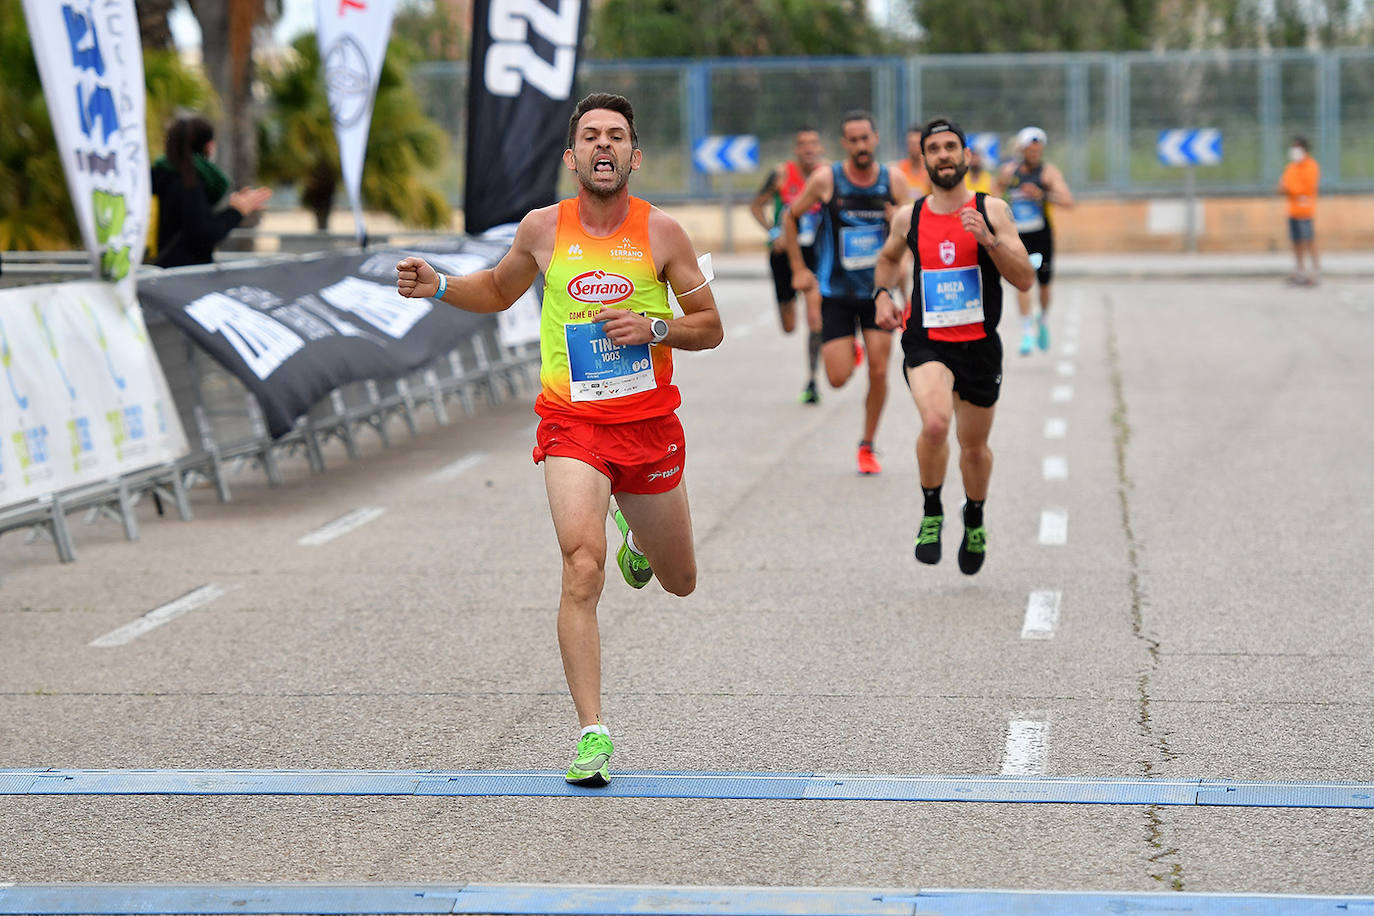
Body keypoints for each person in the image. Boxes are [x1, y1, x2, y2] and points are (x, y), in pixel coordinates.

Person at [396, 93, 723, 788]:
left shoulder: (663, 234)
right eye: (591, 137)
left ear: (635, 156)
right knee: (581, 564)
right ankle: (592, 732)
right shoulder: (543, 228)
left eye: (617, 137)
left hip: (648, 426)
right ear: (571, 156)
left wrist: (655, 326)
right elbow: (495, 289)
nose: (604, 147)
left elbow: (710, 325)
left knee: (681, 581)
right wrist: (440, 286)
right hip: (572, 423)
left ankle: (640, 535)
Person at [873, 118, 1034, 574]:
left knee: (975, 447)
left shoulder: (994, 210)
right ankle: (931, 512)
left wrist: (989, 240)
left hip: (980, 344)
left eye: (951, 147)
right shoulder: (911, 216)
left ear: (966, 156)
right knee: (936, 424)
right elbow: (886, 260)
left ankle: (976, 517)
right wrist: (883, 294)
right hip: (927, 341)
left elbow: (1024, 278)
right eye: (934, 149)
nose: (943, 155)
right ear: (923, 160)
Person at [785, 110, 909, 475]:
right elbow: (791, 217)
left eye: (865, 138)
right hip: (835, 292)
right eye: (852, 140)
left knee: (880, 369)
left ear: (876, 138)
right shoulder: (828, 180)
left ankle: (867, 445)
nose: (860, 146)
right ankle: (849, 348)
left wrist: (907, 293)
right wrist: (798, 269)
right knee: (837, 379)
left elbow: (910, 237)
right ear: (845, 144)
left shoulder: (893, 181)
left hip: (878, 292)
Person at [748, 126, 827, 403]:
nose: (808, 148)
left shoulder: (826, 175)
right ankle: (787, 304)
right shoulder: (782, 174)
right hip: (783, 254)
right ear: (796, 149)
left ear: (821, 148)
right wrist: (772, 232)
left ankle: (813, 380)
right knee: (790, 325)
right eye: (803, 143)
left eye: (813, 143)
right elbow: (756, 206)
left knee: (815, 317)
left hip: (815, 253)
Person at [150, 116, 271, 268]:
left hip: (153, 271)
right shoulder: (189, 182)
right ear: (209, 146)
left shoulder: (158, 175)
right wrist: (236, 210)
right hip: (180, 277)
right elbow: (203, 232)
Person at [994, 126, 1073, 356]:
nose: (1035, 153)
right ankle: (1027, 330)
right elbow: (995, 192)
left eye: (1038, 149)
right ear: (1022, 149)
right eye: (1030, 148)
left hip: (1042, 235)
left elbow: (1068, 201)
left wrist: (1043, 195)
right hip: (1018, 235)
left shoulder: (1048, 173)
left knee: (1044, 284)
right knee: (1022, 281)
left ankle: (1043, 318)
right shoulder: (1010, 172)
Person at [1277, 136, 1320, 286]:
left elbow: (1306, 188)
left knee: (1309, 241)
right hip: (1293, 211)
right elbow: (1281, 187)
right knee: (1296, 242)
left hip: (1306, 211)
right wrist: (1286, 188)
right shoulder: (1291, 167)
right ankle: (1300, 272)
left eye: (1297, 148)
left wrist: (1289, 188)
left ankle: (1315, 271)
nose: (1294, 151)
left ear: (1304, 149)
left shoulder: (1311, 166)